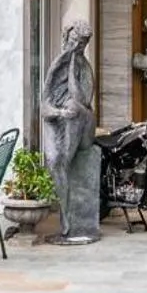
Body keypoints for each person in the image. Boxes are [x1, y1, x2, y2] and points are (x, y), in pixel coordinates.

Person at [40, 19, 100, 246]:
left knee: (76, 108)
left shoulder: (83, 67)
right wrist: (59, 113)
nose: (77, 46)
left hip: (82, 128)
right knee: (55, 161)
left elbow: (82, 100)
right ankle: (66, 218)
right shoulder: (56, 66)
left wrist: (74, 67)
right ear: (67, 37)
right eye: (75, 41)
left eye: (82, 44)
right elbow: (44, 108)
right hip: (57, 122)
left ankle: (69, 220)